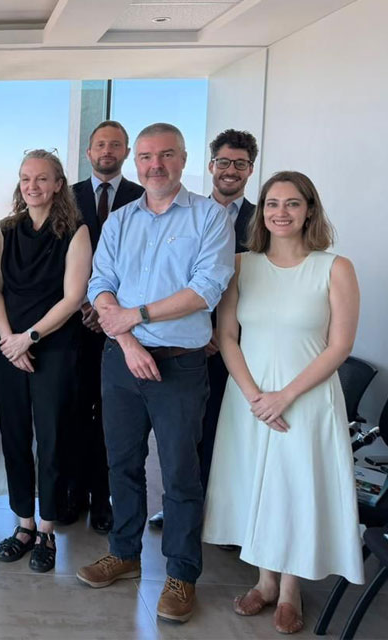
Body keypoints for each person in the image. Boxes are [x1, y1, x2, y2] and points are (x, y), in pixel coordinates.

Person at [76, 123, 234, 624]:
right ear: (135, 163)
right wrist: (124, 339)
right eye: (145, 157)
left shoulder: (211, 218)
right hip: (122, 360)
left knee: (180, 473)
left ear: (184, 160)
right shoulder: (121, 220)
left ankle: (182, 575)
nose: (154, 165)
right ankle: (123, 554)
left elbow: (206, 288)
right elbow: (101, 284)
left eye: (165, 155)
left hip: (180, 365)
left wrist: (137, 316)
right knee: (120, 462)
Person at [203, 171, 364, 634]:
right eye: (272, 203)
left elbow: (339, 346)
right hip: (249, 396)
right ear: (262, 211)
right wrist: (255, 396)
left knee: (294, 487)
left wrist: (284, 397)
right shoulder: (240, 265)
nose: (281, 213)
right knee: (256, 482)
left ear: (309, 209)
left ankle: (290, 590)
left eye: (292, 204)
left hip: (306, 397)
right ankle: (265, 581)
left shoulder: (335, 268)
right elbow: (227, 335)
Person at [149, 128, 258, 530]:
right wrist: (201, 329)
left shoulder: (263, 221)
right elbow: (173, 279)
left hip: (238, 348)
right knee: (181, 438)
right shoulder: (186, 212)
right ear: (210, 166)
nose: (231, 171)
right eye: (224, 162)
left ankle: (225, 517)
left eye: (240, 164)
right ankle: (179, 510)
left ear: (250, 170)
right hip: (185, 342)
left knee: (225, 433)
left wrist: (227, 335)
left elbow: (258, 286)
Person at [0, 150, 91, 572]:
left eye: (42, 179)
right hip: (9, 347)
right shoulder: (7, 229)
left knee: (51, 441)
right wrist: (11, 340)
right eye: (26, 178)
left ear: (58, 184)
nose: (33, 186)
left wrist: (29, 338)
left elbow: (74, 297)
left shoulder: (76, 231)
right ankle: (24, 525)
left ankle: (47, 529)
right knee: (14, 439)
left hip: (55, 349)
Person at [70, 121, 145, 533]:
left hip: (126, 327)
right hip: (75, 324)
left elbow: (143, 267)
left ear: (126, 151)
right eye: (100, 144)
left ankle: (104, 499)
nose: (107, 151)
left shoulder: (142, 197)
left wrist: (112, 312)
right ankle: (74, 494)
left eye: (115, 144)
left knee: (114, 420)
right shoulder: (68, 197)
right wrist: (85, 304)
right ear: (88, 152)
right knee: (76, 413)